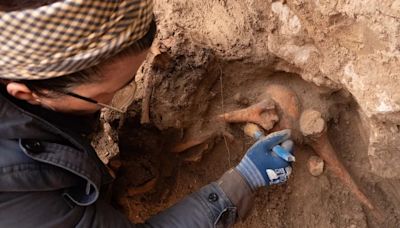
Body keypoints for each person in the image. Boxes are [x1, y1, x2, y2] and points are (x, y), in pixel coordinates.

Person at [0, 0, 295, 227]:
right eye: (108, 96)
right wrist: (240, 183)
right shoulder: (20, 194)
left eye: (130, 82)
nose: (116, 100)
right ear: (27, 93)